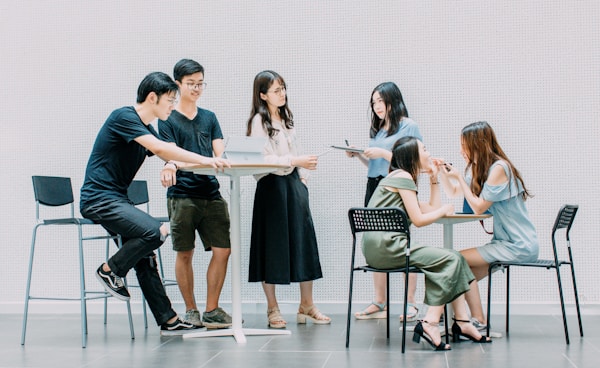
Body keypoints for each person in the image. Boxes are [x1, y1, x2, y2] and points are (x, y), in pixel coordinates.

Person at [80, 71, 229, 336]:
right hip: (98, 198)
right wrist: (205, 160)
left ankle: (168, 320)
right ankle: (109, 270)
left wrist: (191, 162)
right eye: (170, 100)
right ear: (153, 98)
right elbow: (162, 149)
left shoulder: (145, 129)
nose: (173, 106)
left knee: (145, 257)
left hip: (117, 199)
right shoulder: (123, 117)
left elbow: (170, 154)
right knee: (155, 231)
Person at [362, 136, 491, 350]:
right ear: (413, 155)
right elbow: (421, 220)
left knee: (454, 259)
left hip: (377, 249)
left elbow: (431, 207)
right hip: (390, 248)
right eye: (424, 148)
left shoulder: (397, 177)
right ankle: (431, 323)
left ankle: (462, 321)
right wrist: (446, 209)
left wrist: (433, 179)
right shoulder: (403, 177)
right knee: (452, 259)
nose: (429, 153)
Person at [246, 70, 330, 329]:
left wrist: (302, 179)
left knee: (304, 243)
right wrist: (295, 162)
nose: (282, 93)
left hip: (294, 185)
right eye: (275, 90)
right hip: (271, 188)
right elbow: (261, 160)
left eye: (283, 88)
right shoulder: (258, 121)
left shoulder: (286, 118)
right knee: (271, 246)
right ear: (262, 95)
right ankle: (273, 308)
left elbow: (299, 152)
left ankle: (307, 305)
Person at [440, 121, 539, 331]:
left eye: (463, 144)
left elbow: (478, 208)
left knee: (457, 259)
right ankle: (472, 320)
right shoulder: (481, 169)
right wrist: (441, 174)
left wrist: (458, 176)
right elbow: (454, 193)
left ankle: (465, 318)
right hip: (504, 242)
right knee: (461, 275)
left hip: (518, 244)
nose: (460, 150)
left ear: (477, 143)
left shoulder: (499, 168)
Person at [158, 59, 232, 329]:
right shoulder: (167, 119)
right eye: (191, 84)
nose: (197, 88)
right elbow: (169, 154)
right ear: (177, 84)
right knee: (184, 252)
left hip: (211, 193)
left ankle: (212, 309)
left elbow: (219, 151)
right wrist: (173, 164)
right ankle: (191, 310)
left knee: (223, 250)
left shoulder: (209, 117)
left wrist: (223, 157)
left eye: (201, 83)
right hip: (182, 195)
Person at [347, 82, 421, 322]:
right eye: (374, 102)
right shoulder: (378, 130)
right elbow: (375, 166)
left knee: (401, 240)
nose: (377, 106)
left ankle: (410, 304)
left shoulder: (409, 126)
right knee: (375, 241)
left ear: (393, 99)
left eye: (381, 101)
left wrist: (382, 153)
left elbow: (413, 160)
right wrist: (360, 154)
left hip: (398, 186)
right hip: (375, 185)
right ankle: (380, 302)